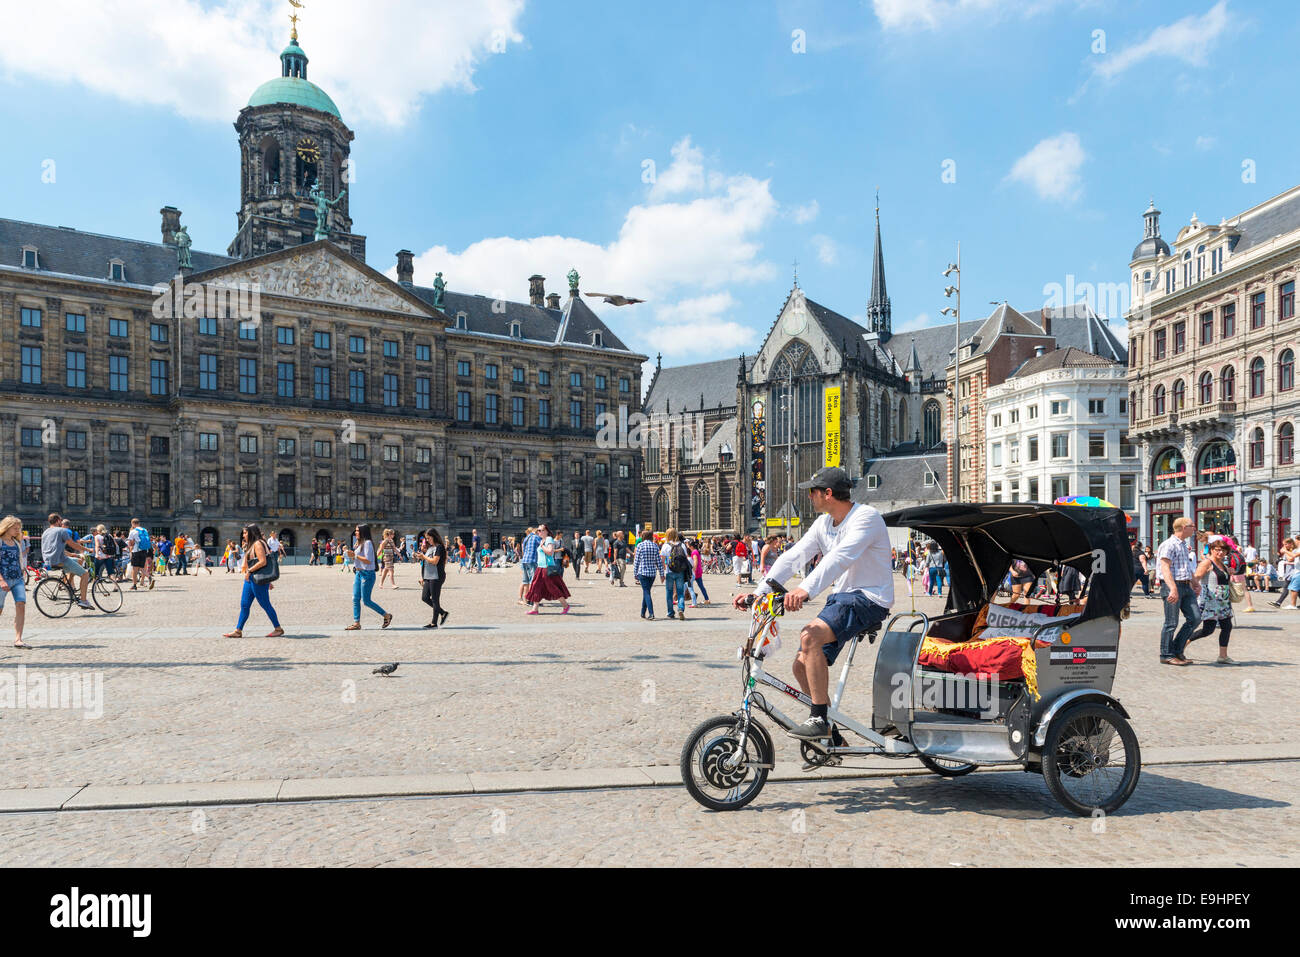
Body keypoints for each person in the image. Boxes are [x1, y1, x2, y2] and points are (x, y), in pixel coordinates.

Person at [734, 467, 892, 741]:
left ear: (828, 494)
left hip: (869, 598)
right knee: (800, 664)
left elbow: (839, 558)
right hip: (841, 598)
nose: (809, 496)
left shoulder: (866, 518)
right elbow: (792, 558)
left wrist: (805, 590)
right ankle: (831, 733)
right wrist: (759, 593)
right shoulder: (822, 524)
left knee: (809, 637)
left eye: (813, 491)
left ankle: (818, 717)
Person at [223, 523, 284, 638]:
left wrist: (250, 571)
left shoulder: (257, 544)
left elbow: (263, 562)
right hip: (251, 578)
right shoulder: (252, 544)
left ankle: (278, 628)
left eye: (245, 533)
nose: (243, 535)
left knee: (265, 604)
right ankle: (238, 630)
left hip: (256, 578)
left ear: (251, 533)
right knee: (244, 604)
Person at [1157, 516, 1201, 665]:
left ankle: (1177, 649)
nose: (1194, 528)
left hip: (1186, 585)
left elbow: (1186, 567)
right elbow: (1165, 567)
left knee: (1195, 618)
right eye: (1192, 525)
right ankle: (1166, 654)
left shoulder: (1183, 544)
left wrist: (1195, 583)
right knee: (1171, 622)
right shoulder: (1169, 545)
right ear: (1183, 527)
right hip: (1172, 586)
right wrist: (1173, 589)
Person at [1189, 539, 1236, 664]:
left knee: (1227, 626)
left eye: (1223, 550)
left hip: (1223, 601)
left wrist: (1229, 572)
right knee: (1208, 630)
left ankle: (1223, 656)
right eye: (1217, 550)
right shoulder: (1207, 563)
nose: (1220, 552)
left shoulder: (1223, 564)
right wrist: (1191, 591)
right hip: (1211, 600)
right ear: (1212, 550)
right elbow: (1196, 577)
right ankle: (1182, 643)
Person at [345, 524, 392, 630]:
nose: (355, 532)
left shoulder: (368, 543)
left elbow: (368, 560)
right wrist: (352, 555)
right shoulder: (359, 543)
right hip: (359, 573)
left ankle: (386, 615)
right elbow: (358, 559)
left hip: (367, 574)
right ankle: (356, 623)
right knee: (355, 598)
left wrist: (355, 555)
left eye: (357, 530)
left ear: (362, 532)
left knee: (366, 601)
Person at [41, 513, 92, 609]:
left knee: (78, 561)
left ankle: (68, 585)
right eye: (60, 520)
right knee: (85, 574)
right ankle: (84, 601)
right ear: (57, 521)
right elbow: (73, 544)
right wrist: (88, 550)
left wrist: (73, 555)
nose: (61, 522)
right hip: (60, 560)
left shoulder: (46, 532)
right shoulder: (62, 531)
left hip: (48, 560)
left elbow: (54, 548)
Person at [525, 523, 571, 614]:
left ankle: (565, 605)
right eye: (538, 530)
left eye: (541, 530)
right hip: (540, 567)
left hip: (547, 567)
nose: (539, 532)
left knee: (552, 587)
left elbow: (550, 552)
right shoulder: (542, 540)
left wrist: (542, 546)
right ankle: (535, 609)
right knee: (535, 587)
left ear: (546, 531)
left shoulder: (549, 539)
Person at [0, 516, 30, 648]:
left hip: (17, 579)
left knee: (21, 605)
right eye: (15, 528)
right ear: (7, 527)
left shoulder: (17, 542)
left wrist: (22, 571)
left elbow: (19, 560)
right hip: (3, 579)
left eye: (19, 528)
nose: (18, 531)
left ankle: (18, 639)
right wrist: (1, 580)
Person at [418, 528, 449, 628]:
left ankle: (434, 623)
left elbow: (435, 561)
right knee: (425, 597)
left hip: (436, 576)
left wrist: (424, 557)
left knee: (435, 600)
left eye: (428, 538)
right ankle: (443, 612)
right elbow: (426, 563)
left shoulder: (439, 547)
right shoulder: (431, 547)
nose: (427, 540)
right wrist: (423, 577)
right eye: (426, 538)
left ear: (434, 536)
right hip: (428, 576)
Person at [660, 528, 691, 620]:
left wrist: (664, 571)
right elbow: (686, 558)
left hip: (669, 572)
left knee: (669, 592)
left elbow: (662, 561)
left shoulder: (666, 545)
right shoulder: (682, 545)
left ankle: (670, 612)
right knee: (680, 592)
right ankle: (680, 608)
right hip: (680, 572)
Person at [633, 530, 664, 620]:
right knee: (646, 592)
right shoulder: (655, 546)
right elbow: (658, 561)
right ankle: (643, 612)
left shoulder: (640, 545)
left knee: (646, 592)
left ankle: (651, 613)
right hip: (652, 573)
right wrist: (662, 574)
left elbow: (637, 561)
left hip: (642, 573)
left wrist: (635, 573)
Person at [518, 526, 540, 604]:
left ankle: (526, 599)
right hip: (532, 560)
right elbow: (542, 546)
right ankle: (532, 599)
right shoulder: (536, 537)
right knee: (533, 581)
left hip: (525, 560)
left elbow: (523, 550)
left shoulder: (526, 538)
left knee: (525, 581)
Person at [689, 537, 710, 606]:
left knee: (687, 585)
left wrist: (693, 570)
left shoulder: (694, 552)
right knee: (701, 586)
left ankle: (680, 599)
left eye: (689, 546)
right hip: (698, 571)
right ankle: (707, 599)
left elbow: (695, 561)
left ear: (691, 546)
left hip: (696, 572)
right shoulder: (696, 551)